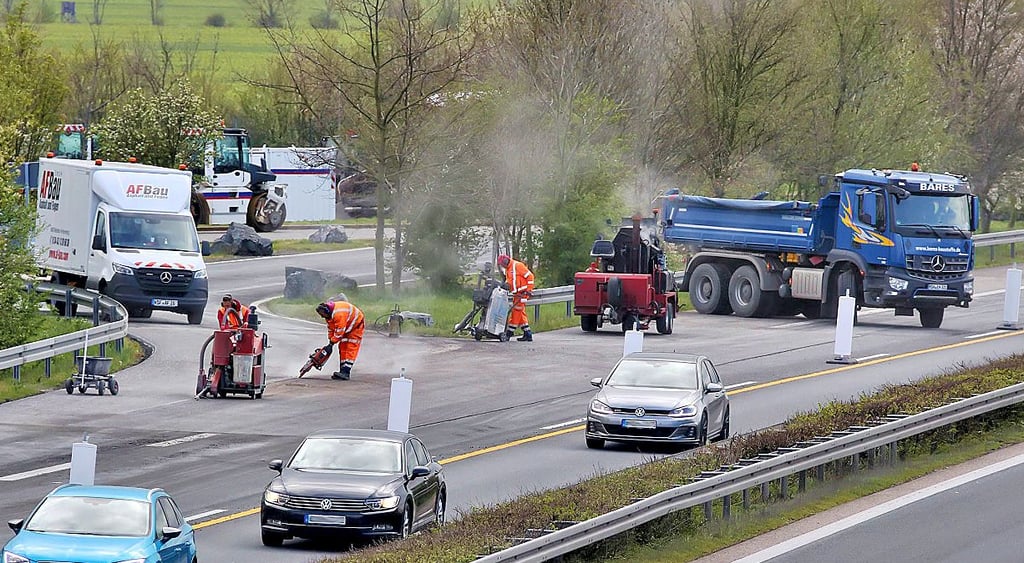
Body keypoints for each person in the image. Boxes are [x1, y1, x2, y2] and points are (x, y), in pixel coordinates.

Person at [316, 296, 365, 380]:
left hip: (356, 326)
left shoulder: (338, 314)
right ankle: (342, 371)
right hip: (347, 326)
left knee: (350, 348)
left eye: (323, 315)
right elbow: (331, 329)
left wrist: (332, 343)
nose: (322, 317)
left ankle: (346, 372)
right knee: (342, 347)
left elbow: (339, 331)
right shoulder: (328, 315)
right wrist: (330, 341)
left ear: (326, 311)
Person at [497, 253, 535, 342]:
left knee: (516, 312)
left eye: (502, 264)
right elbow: (511, 280)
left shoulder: (517, 266)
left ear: (505, 261)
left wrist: (529, 290)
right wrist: (505, 286)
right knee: (521, 313)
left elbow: (530, 276)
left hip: (523, 293)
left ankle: (509, 332)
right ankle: (527, 333)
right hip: (517, 294)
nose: (502, 266)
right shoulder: (508, 269)